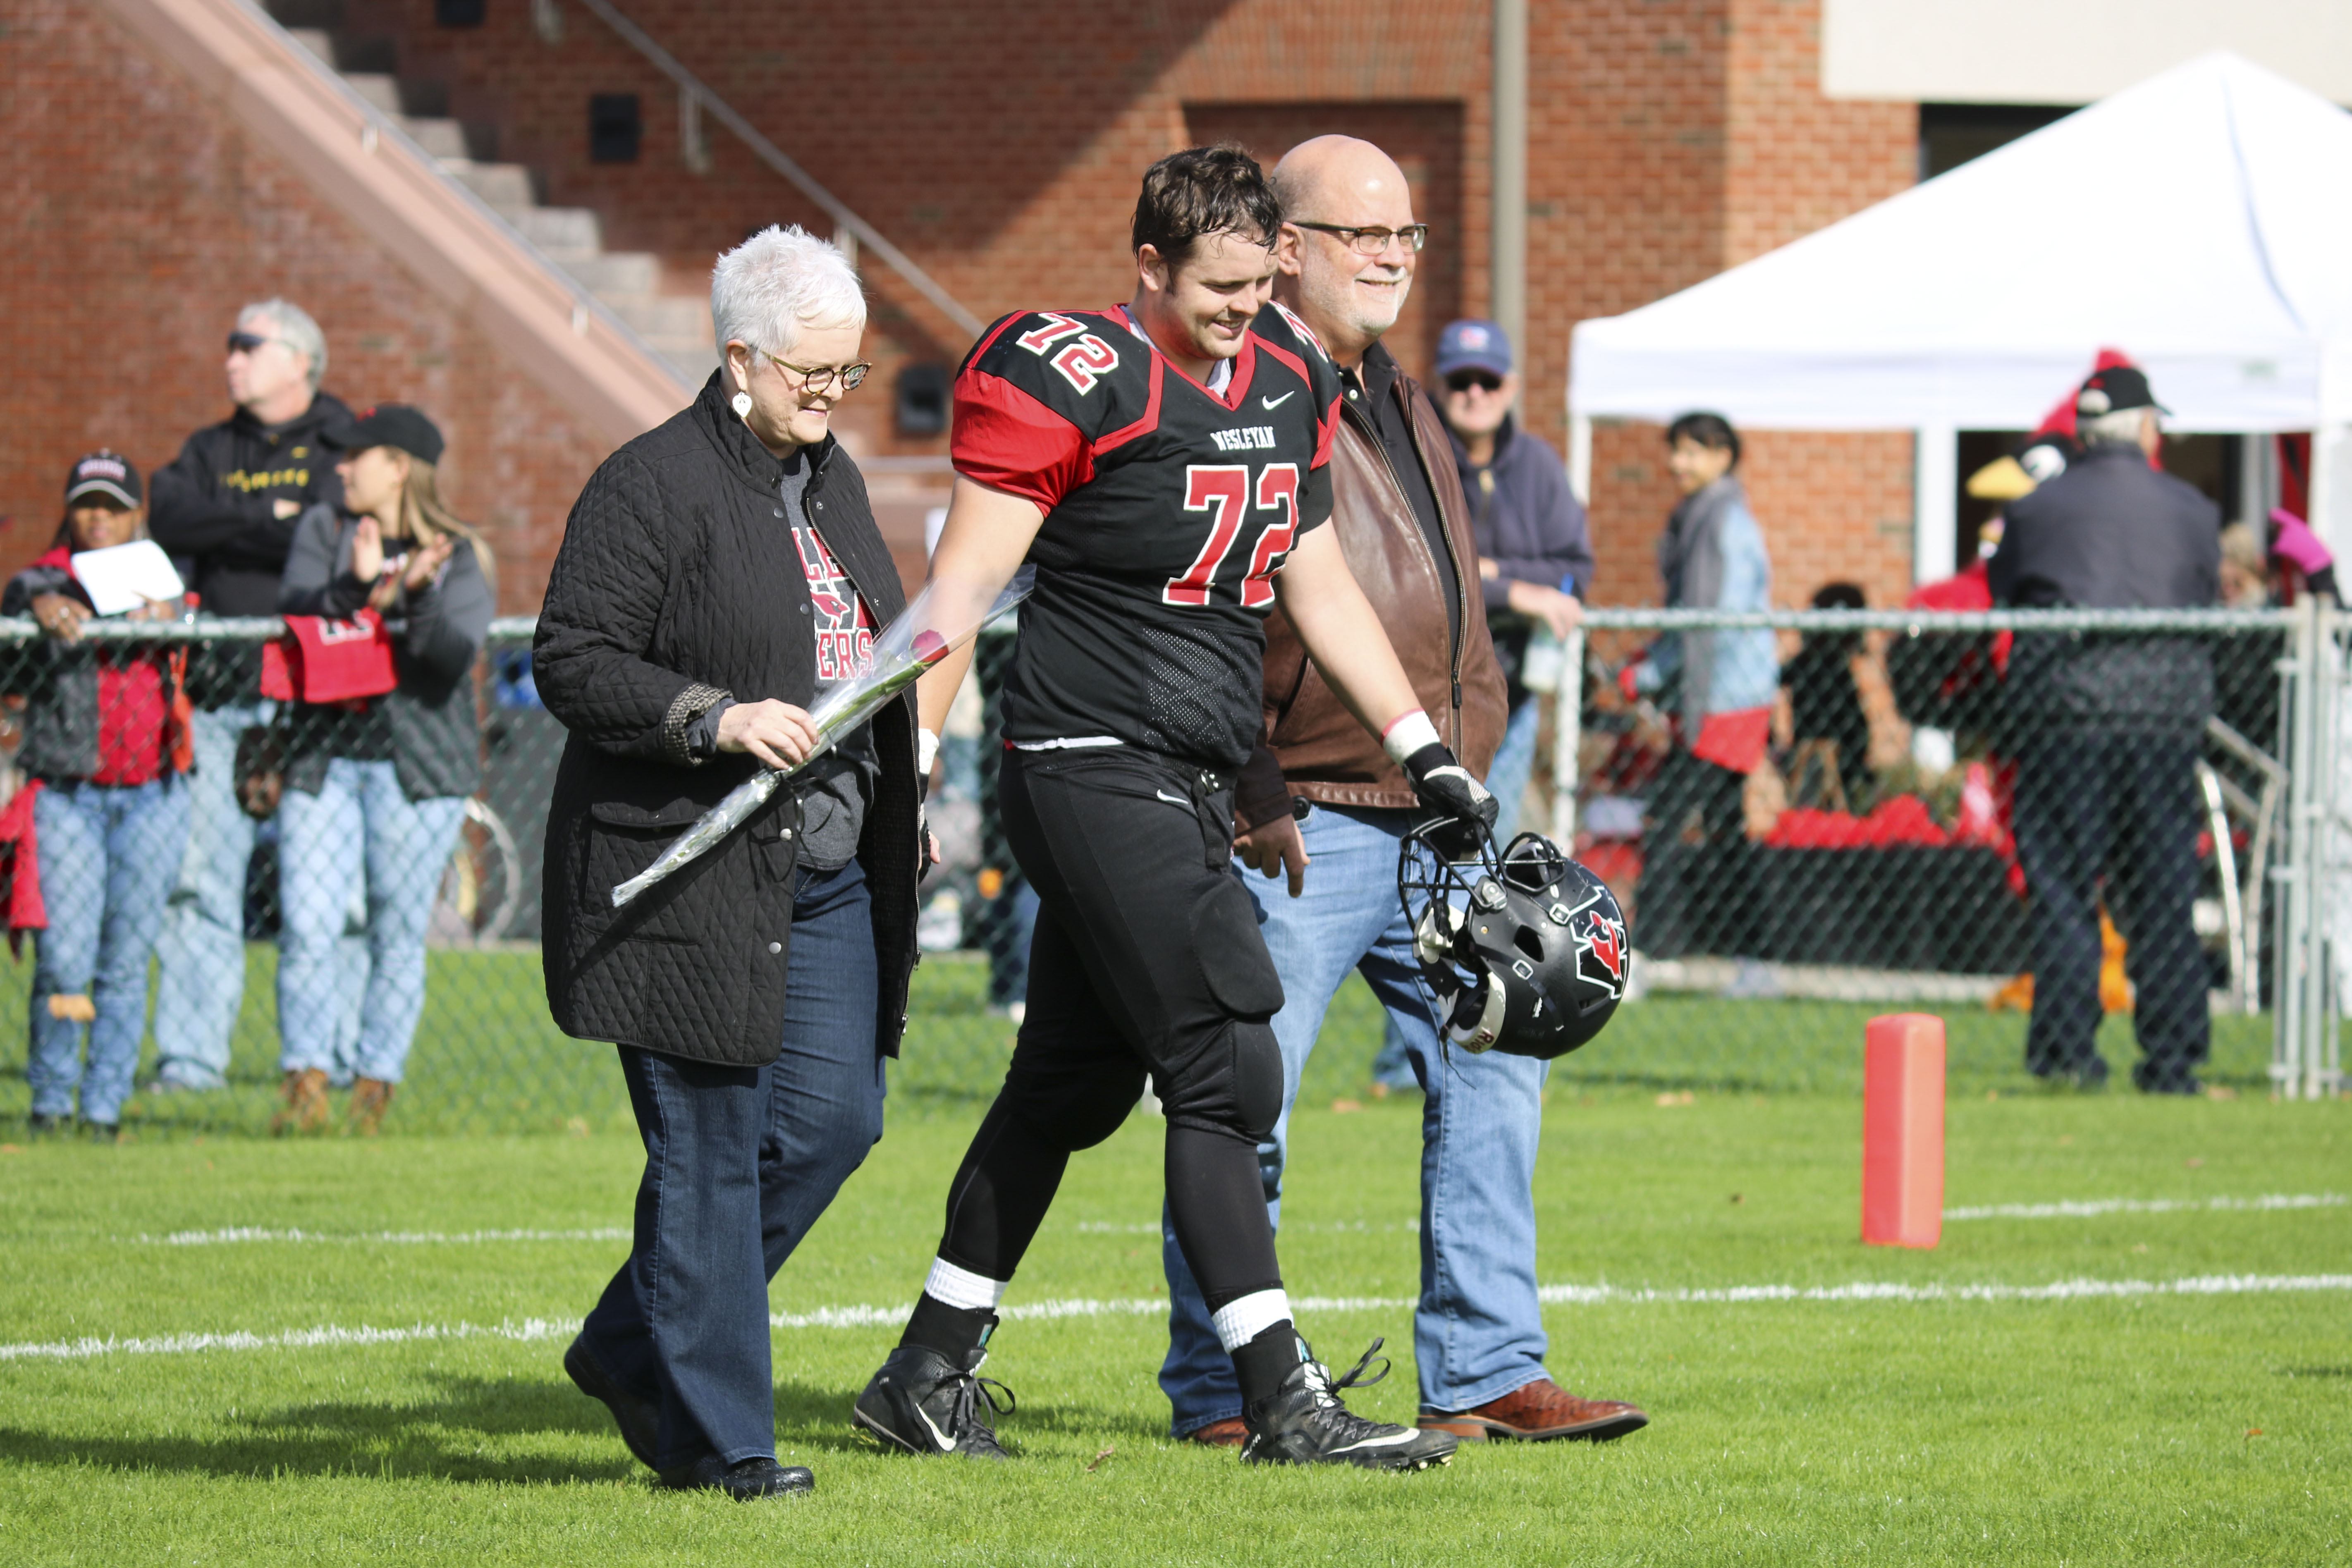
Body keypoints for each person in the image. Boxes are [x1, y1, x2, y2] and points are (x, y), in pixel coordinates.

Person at [850, 145, 1486, 1472]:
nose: (1246, 310)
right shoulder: (1078, 376)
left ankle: (924, 1371)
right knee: (1225, 1062)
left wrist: (1418, 747)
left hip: (1186, 773)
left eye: (1260, 285)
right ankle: (1279, 1398)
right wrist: (910, 764)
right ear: (1149, 265)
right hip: (1087, 758)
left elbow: (1309, 577)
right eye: (1218, 288)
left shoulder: (1290, 375)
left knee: (1069, 1085)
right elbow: (960, 591)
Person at [1152, 136, 1643, 1453]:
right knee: (1244, 1096)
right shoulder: (1240, 391)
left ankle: (1484, 1368)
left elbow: (1447, 604)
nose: (1390, 256)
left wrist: (1467, 750)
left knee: (1499, 1061)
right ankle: (1225, 1386)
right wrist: (1253, 780)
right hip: (1298, 813)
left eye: (1405, 234)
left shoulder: (1406, 399)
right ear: (1286, 247)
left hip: (1433, 815)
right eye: (1360, 233)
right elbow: (1209, 611)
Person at [536, 225, 925, 1501]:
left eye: (849, 373)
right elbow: (573, 658)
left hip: (829, 868)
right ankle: (719, 1445)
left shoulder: (833, 479)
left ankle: (626, 1341)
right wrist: (714, 716)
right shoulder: (649, 485)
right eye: (813, 373)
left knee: (832, 1126)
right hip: (688, 872)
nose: (832, 396)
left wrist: (898, 784)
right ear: (741, 356)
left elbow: (867, 654)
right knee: (708, 1150)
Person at [1990, 365, 2220, 1093]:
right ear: (2145, 428)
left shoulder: (2037, 509)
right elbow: (2202, 595)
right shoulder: (2191, 509)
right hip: (2161, 718)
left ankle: (2066, 1053)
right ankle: (2173, 1058)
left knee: (2063, 888)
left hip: (2065, 715)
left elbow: (2005, 593)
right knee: (2163, 888)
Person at [146, 301, 352, 1094]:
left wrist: (230, 528)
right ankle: (190, 1061)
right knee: (199, 882)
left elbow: (331, 531)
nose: (230, 359)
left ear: (299, 359)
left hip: (315, 702)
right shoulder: (209, 447)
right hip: (220, 695)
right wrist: (272, 519)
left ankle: (329, 1060)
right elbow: (168, 516)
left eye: (247, 346)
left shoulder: (341, 440)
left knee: (328, 894)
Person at [272, 406, 493, 1135]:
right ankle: (305, 1089)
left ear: (399, 467)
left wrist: (417, 593)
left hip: (416, 771)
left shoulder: (457, 552)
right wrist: (359, 588)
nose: (340, 468)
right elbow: (295, 611)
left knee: (396, 935)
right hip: (324, 760)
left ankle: (372, 1094)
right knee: (308, 927)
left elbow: (448, 660)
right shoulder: (324, 532)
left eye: (355, 456)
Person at [5, 454, 192, 1138]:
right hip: (69, 794)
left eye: (114, 506)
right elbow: (18, 596)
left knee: (125, 962)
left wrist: (172, 615)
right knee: (65, 957)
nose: (99, 518)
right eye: (88, 503)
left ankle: (104, 1110)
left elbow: (208, 649)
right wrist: (40, 609)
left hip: (153, 794)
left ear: (137, 514)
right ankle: (52, 1103)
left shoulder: (163, 578)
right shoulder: (47, 579)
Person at [1623, 412, 1777, 958]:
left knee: (1668, 818)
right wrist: (1654, 662)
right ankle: (1749, 952)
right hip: (1722, 694)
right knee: (1723, 827)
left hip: (1726, 700)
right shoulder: (1703, 515)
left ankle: (1652, 950)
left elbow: (1712, 622)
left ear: (1722, 457)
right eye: (1676, 450)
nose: (1676, 463)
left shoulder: (1722, 521)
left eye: (1691, 452)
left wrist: (1649, 673)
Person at [1432, 317, 1592, 841]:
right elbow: (1419, 572)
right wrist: (1518, 592)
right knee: (1426, 843)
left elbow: (1573, 569)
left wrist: (1489, 573)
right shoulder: (1416, 458)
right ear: (1440, 385)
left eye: (1489, 380)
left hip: (1511, 692)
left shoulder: (1538, 465)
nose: (1475, 393)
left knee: (1490, 844)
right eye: (1461, 381)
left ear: (1512, 387)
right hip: (1425, 694)